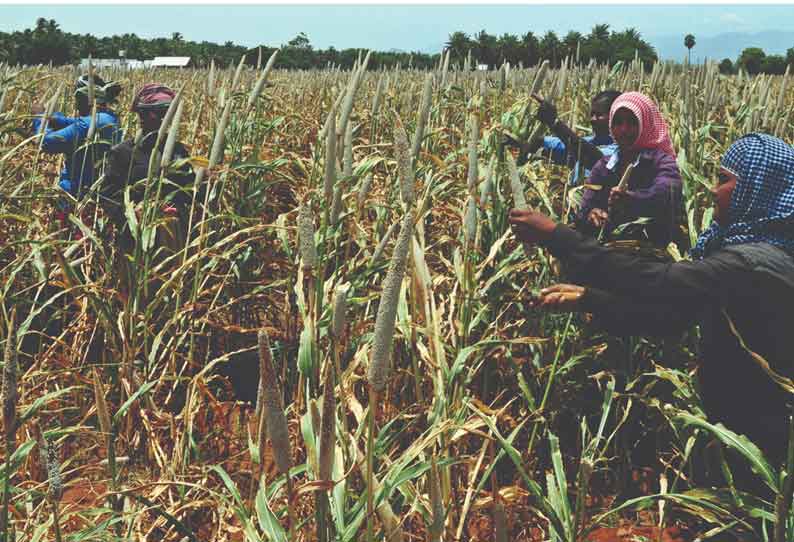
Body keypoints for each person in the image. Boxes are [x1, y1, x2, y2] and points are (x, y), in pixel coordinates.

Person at [509, 133, 794, 535]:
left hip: (763, 442)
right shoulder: (755, 251)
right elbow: (670, 319)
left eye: (725, 180)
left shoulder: (753, 264)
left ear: (758, 186)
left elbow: (659, 282)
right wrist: (589, 298)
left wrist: (557, 236)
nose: (713, 190)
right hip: (742, 436)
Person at [576, 91, 683, 247]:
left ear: (645, 124)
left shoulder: (662, 162)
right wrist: (593, 213)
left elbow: (668, 192)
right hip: (607, 249)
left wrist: (632, 199)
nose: (624, 129)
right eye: (618, 123)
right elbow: (586, 206)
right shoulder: (604, 165)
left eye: (632, 122)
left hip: (650, 251)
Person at [102, 83, 197, 255]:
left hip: (171, 236)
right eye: (159, 114)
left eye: (167, 114)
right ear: (143, 116)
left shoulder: (177, 150)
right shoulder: (123, 153)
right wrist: (134, 214)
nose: (164, 119)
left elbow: (188, 190)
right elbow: (108, 197)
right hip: (134, 238)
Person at [32, 74, 123, 200]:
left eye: (78, 99)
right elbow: (73, 123)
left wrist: (39, 118)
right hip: (96, 191)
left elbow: (46, 142)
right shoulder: (109, 118)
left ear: (85, 99)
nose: (76, 105)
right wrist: (52, 117)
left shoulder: (89, 123)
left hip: (75, 193)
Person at [504, 90, 621, 185]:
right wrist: (518, 139)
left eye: (599, 115)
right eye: (592, 114)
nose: (592, 119)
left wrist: (555, 123)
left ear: (615, 116)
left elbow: (593, 158)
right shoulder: (591, 141)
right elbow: (550, 144)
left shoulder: (621, 149)